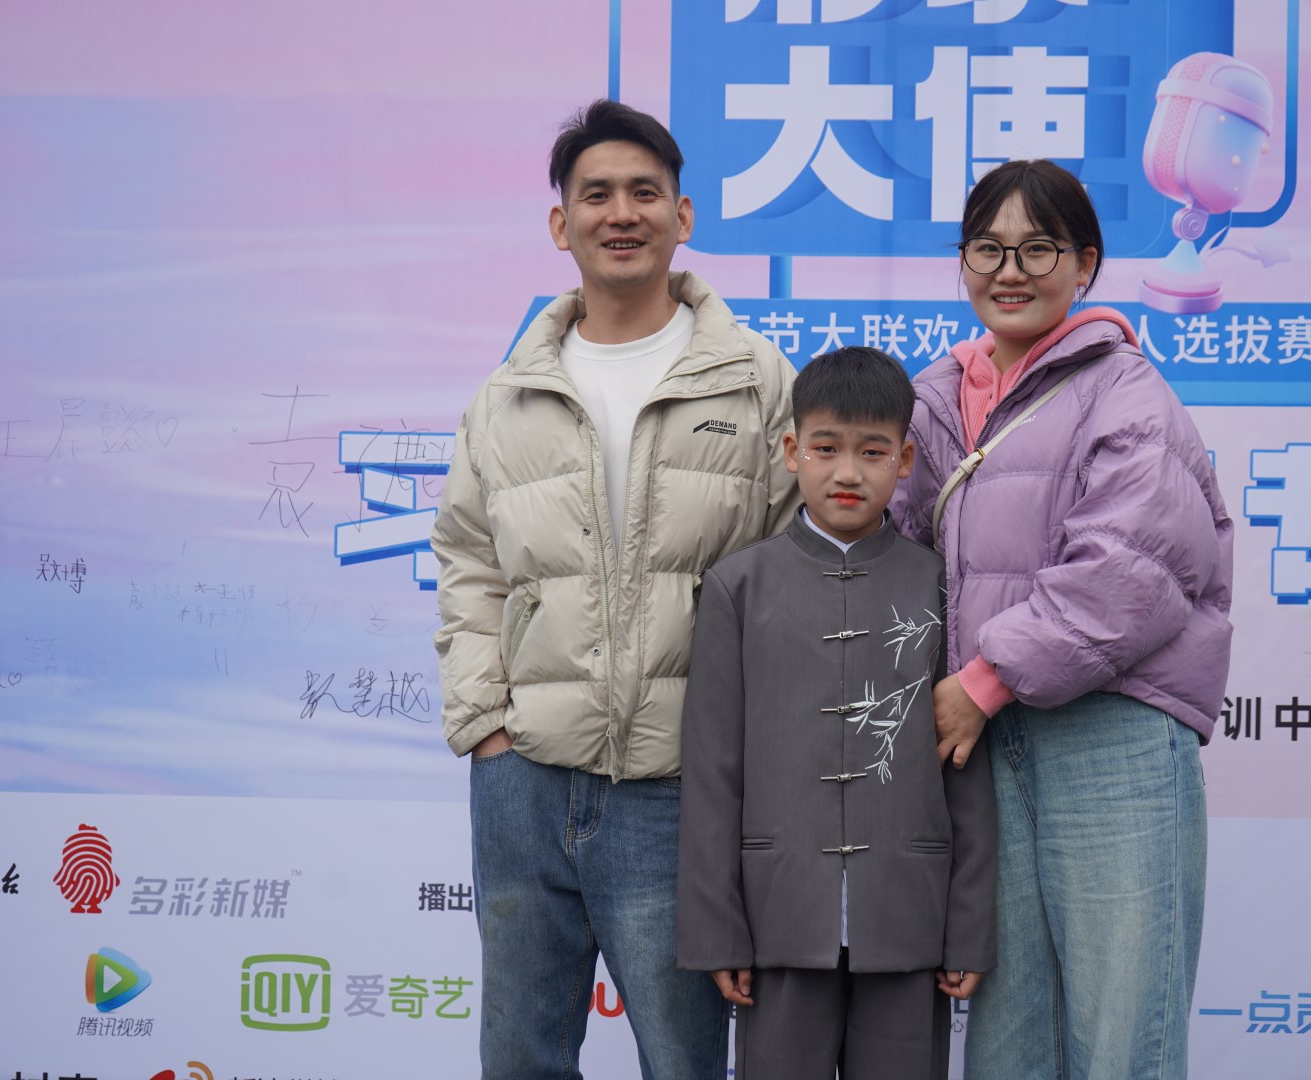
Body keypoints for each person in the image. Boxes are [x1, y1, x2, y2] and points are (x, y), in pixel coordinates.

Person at [430, 98, 801, 1080]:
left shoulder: (757, 381)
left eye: (645, 192)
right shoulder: (508, 394)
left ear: (684, 215)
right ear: (563, 224)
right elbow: (468, 561)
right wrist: (487, 725)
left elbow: (792, 572)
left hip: (679, 792)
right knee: (520, 1058)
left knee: (683, 1062)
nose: (621, 213)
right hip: (524, 782)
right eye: (596, 195)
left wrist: (741, 759)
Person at [889, 159, 1234, 1080]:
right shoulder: (933, 402)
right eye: (987, 248)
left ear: (1085, 263)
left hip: (1108, 738)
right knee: (1010, 1045)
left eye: (1038, 248)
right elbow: (894, 559)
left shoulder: (1127, 392)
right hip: (985, 747)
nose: (1010, 271)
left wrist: (981, 681)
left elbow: (1134, 572)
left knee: (1124, 1037)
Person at [677, 346, 997, 1080]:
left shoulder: (941, 586)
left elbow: (967, 772)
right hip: (778, 914)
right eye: (826, 449)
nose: (848, 472)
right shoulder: (738, 588)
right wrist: (718, 928)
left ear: (905, 460)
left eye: (873, 452)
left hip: (909, 917)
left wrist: (970, 928)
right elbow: (712, 773)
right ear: (792, 451)